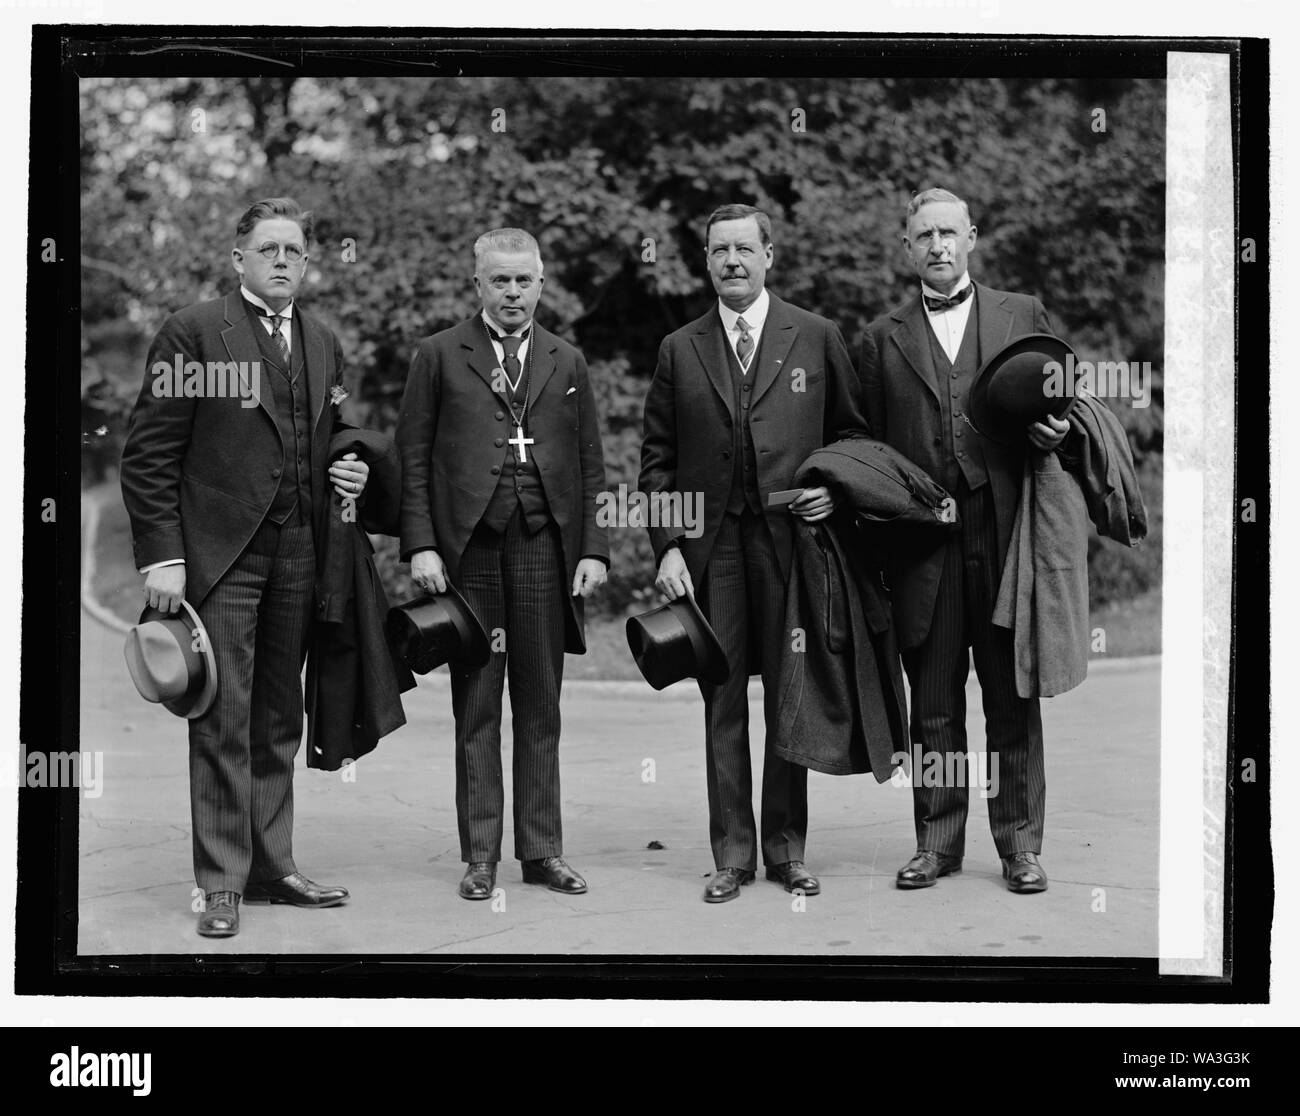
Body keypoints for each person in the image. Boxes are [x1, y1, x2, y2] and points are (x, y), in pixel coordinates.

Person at [120, 197, 367, 937]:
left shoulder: (322, 341)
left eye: (294, 250)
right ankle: (221, 883)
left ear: (308, 262)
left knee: (278, 719)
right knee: (222, 718)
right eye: (268, 249)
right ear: (239, 259)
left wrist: (351, 467)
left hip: (301, 552)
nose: (282, 261)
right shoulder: (195, 332)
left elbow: (334, 432)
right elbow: (148, 455)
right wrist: (164, 556)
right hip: (220, 556)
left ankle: (272, 868)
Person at [638, 203, 868, 904]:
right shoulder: (680, 348)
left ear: (769, 255)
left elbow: (852, 437)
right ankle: (732, 856)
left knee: (791, 698)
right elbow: (657, 461)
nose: (732, 261)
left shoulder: (816, 336)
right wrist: (669, 548)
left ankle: (787, 850)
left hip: (791, 546)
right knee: (722, 698)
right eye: (719, 251)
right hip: (713, 554)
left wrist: (832, 490)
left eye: (744, 248)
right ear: (706, 261)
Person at [859, 187, 1069, 894]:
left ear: (972, 237)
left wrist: (1056, 431)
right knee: (934, 702)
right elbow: (864, 446)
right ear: (907, 247)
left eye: (948, 232)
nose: (938, 246)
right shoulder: (879, 339)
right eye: (924, 236)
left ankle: (1020, 846)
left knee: (1012, 698)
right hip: (923, 545)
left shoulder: (1022, 315)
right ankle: (937, 842)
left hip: (1003, 535)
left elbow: (1062, 404)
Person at [396, 228, 610, 901]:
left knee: (541, 705)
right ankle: (481, 856)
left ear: (541, 284)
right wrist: (422, 544)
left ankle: (542, 851)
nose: (512, 292)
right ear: (478, 283)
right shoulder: (438, 355)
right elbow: (412, 457)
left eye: (523, 281)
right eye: (500, 280)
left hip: (545, 550)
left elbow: (591, 462)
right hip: (470, 553)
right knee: (478, 706)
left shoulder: (566, 359)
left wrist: (593, 549)